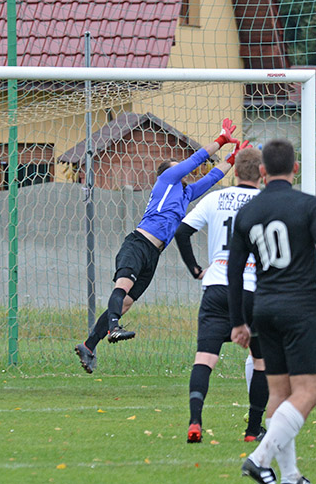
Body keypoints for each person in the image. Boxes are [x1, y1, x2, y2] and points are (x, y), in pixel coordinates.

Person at [227, 139, 316, 484]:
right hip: (299, 308)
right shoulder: (308, 205)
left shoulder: (248, 213)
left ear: (262, 171)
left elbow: (234, 270)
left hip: (264, 309)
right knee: (308, 392)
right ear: (296, 168)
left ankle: (289, 477)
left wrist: (239, 321)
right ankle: (259, 459)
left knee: (280, 393)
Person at [74, 118, 247, 373]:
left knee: (126, 303)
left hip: (154, 254)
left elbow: (211, 177)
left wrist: (234, 158)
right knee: (123, 286)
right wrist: (220, 140)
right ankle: (112, 328)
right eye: (179, 167)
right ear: (169, 171)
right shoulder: (167, 179)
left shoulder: (185, 193)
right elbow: (197, 160)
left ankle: (89, 345)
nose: (184, 171)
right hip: (138, 243)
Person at [174, 147, 268, 444]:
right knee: (261, 360)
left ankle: (195, 422)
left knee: (204, 359)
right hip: (252, 290)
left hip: (216, 287)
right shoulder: (267, 203)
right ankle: (253, 430)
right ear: (262, 173)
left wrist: (195, 269)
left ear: (236, 171)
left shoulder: (215, 199)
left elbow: (182, 231)